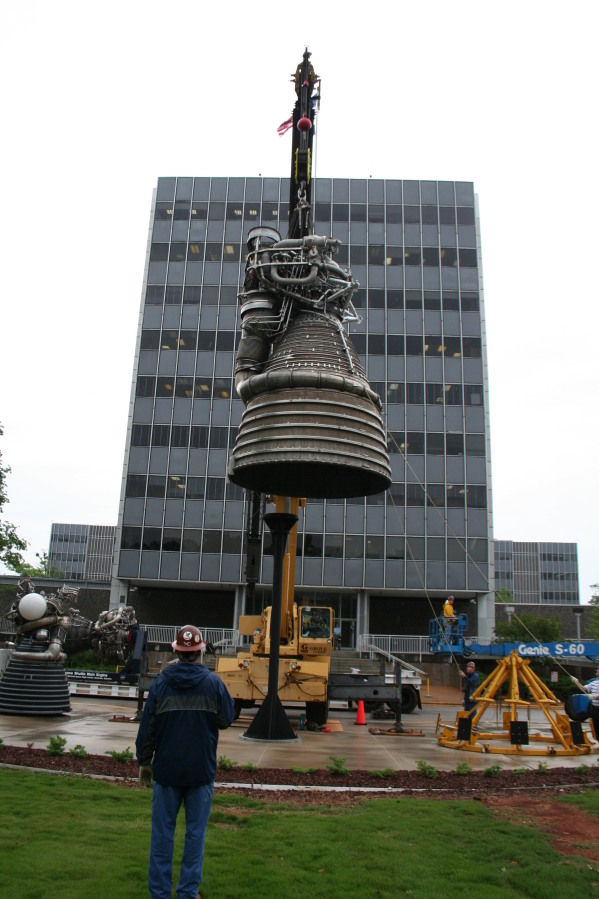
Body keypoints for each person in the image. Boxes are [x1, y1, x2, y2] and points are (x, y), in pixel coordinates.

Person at [136, 625, 235, 899]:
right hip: (200, 772)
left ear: (176, 652)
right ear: (200, 652)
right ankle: (188, 892)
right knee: (195, 835)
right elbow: (227, 718)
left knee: (162, 835)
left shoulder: (161, 683)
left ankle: (159, 893)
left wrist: (145, 762)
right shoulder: (213, 683)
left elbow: (147, 729)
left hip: (167, 771)